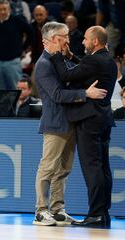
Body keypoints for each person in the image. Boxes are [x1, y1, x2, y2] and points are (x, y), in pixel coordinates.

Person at [33, 22, 107, 226]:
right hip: (55, 124)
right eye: (65, 36)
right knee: (47, 167)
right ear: (55, 39)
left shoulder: (60, 60)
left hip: (71, 122)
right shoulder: (43, 65)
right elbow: (57, 94)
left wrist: (70, 57)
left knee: (63, 169)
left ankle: (57, 210)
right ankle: (40, 211)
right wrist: (86, 94)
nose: (68, 39)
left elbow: (76, 74)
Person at [48, 25, 117, 228]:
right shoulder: (108, 61)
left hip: (89, 119)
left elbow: (67, 76)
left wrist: (57, 55)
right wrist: (71, 56)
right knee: (103, 167)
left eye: (86, 39)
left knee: (92, 167)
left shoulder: (93, 60)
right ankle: (103, 213)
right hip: (103, 119)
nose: (83, 42)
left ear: (95, 41)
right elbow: (84, 70)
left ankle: (94, 214)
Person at [0, 0, 34, 90]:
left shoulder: (17, 20)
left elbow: (31, 32)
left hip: (12, 62)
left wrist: (23, 48)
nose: (2, 12)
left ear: (9, 9)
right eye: (0, 9)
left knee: (16, 89)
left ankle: (18, 104)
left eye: (4, 9)